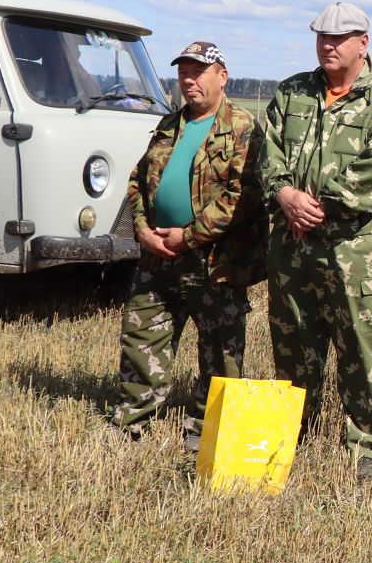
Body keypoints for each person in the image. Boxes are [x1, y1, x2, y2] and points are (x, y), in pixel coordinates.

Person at [257, 2, 372, 469]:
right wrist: (284, 196)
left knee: (358, 347)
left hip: (351, 249)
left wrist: (311, 205)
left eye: (339, 38)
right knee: (291, 344)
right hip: (291, 245)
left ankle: (370, 452)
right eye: (322, 36)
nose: (328, 44)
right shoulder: (292, 92)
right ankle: (289, 439)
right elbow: (267, 153)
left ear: (363, 43)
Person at [111, 40, 265, 442]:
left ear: (222, 76)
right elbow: (137, 182)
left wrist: (188, 237)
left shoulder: (243, 128)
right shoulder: (168, 124)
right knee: (142, 338)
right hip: (158, 257)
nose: (188, 80)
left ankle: (205, 431)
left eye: (198, 72)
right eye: (183, 73)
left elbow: (242, 198)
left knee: (220, 353)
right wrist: (143, 231)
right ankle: (131, 421)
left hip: (214, 261)